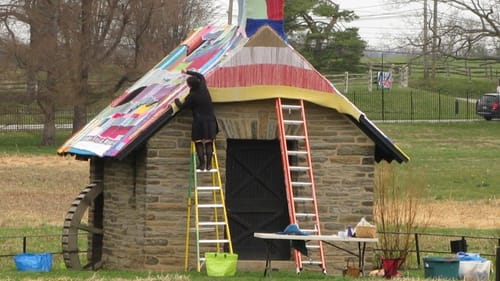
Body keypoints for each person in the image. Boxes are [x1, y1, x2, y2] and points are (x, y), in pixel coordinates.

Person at [175, 70, 219, 171]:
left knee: (199, 143)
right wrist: (188, 71)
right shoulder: (203, 87)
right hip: (210, 120)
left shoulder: (192, 96)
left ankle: (202, 165)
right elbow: (200, 75)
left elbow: (182, 106)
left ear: (190, 86)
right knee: (208, 143)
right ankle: (209, 165)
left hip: (199, 122)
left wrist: (176, 101)